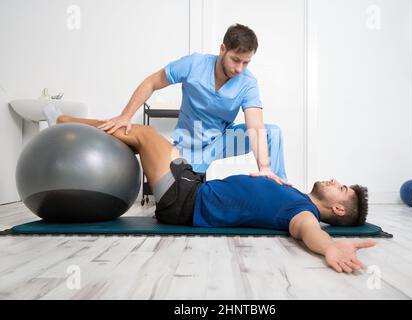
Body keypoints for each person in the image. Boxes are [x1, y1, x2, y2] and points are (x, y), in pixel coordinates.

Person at [43, 107, 376, 274]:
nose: (334, 180)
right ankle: (84, 137)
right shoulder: (295, 195)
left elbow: (308, 233)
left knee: (143, 134)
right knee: (145, 142)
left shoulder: (304, 214)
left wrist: (330, 248)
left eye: (341, 188)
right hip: (193, 185)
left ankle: (65, 122)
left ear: (339, 210)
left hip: (185, 201)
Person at [96, 23, 289, 185]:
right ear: (222, 49)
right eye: (235, 60)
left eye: (245, 63)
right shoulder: (193, 64)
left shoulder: (248, 83)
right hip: (189, 143)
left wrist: (264, 167)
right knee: (179, 199)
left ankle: (281, 192)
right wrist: (125, 116)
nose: (239, 68)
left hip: (221, 139)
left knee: (272, 132)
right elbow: (152, 82)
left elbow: (255, 125)